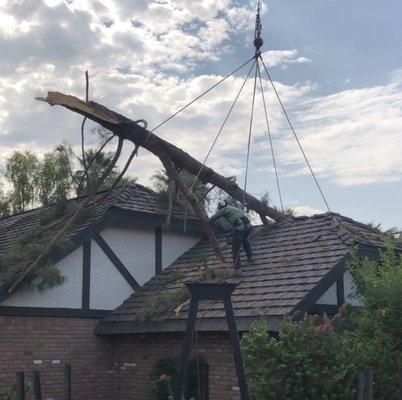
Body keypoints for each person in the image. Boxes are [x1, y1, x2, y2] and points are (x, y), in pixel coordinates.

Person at [209, 199, 253, 275]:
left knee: (235, 248)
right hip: (248, 226)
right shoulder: (233, 209)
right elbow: (235, 227)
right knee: (244, 240)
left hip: (240, 227)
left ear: (220, 207)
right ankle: (250, 257)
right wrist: (232, 234)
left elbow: (215, 217)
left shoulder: (225, 209)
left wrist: (207, 221)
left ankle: (237, 270)